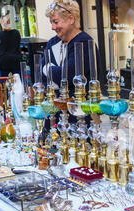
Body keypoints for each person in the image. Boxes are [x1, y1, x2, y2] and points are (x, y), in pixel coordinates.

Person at [41, 0, 97, 134]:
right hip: (55, 112)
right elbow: (42, 75)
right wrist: (49, 72)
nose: (53, 27)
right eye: (51, 23)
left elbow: (68, 75)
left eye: (56, 22)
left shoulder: (83, 42)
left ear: (71, 19)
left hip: (78, 114)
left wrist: (48, 69)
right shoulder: (53, 42)